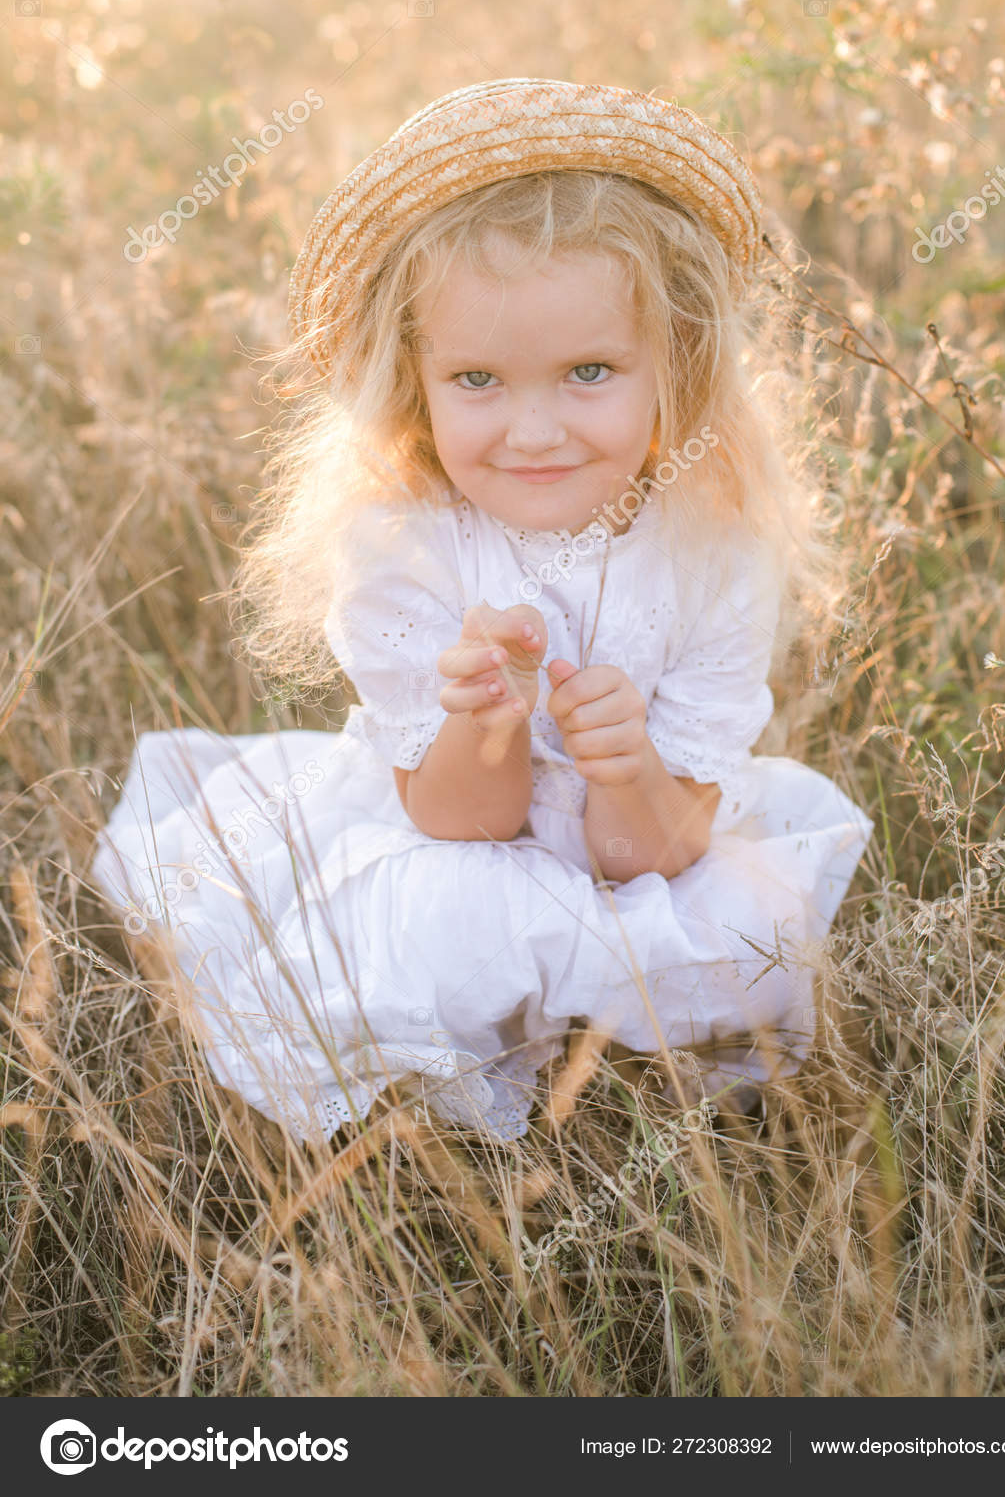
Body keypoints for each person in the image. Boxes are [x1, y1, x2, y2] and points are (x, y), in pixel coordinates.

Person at [90, 77, 874, 1147]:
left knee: (754, 924)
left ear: (675, 364)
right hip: (452, 828)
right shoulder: (408, 544)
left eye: (589, 371)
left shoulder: (713, 552)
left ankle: (627, 1098)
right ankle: (450, 1119)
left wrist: (627, 763)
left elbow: (656, 848)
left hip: (641, 838)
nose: (534, 428)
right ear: (413, 379)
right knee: (444, 925)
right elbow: (461, 820)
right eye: (478, 378)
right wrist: (487, 718)